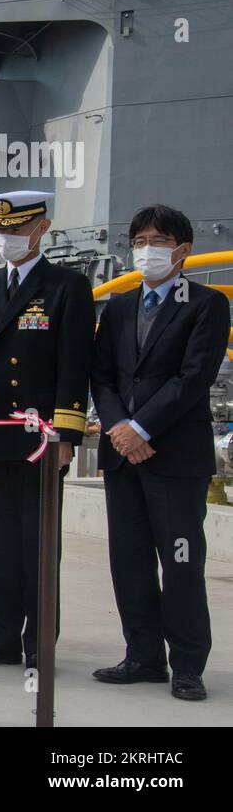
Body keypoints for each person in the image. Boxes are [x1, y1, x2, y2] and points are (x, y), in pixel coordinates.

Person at [90, 204, 229, 701]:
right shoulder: (121, 306)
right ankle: (142, 656)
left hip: (174, 456)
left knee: (181, 562)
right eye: (140, 240)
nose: (146, 249)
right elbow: (102, 376)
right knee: (128, 561)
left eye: (157, 240)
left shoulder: (207, 304)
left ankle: (187, 665)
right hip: (122, 456)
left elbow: (194, 377)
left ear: (182, 249)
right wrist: (119, 427)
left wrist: (142, 427)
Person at [0, 190, 94, 670]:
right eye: (0, 231)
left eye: (14, 230)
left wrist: (67, 436)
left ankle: (39, 642)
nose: (6, 239)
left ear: (41, 228)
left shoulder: (66, 287)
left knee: (38, 541)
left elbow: (74, 365)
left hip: (40, 439)